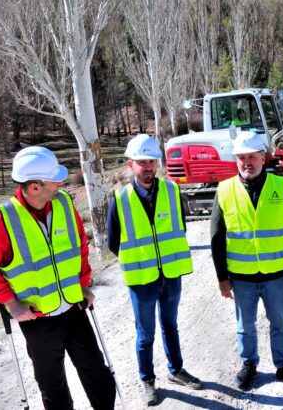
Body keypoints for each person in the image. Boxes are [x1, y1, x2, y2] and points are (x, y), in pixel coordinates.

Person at [0, 146, 116, 410]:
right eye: (54, 179)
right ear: (35, 186)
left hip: (74, 308)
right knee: (54, 390)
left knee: (99, 376)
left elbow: (79, 247)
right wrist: (11, 303)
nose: (60, 182)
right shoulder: (1, 220)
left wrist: (84, 284)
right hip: (39, 321)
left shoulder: (63, 204)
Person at [106, 134, 201, 406]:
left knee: (170, 326)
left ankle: (176, 370)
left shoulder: (172, 191)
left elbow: (179, 227)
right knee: (145, 335)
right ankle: (147, 380)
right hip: (142, 280)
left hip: (170, 275)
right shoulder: (120, 199)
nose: (148, 166)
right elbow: (114, 242)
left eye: (152, 161)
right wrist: (141, 261)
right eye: (141, 162)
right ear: (130, 164)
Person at [210, 131, 283, 391]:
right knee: (245, 326)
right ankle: (249, 365)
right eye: (241, 157)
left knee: (280, 323)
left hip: (275, 274)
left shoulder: (282, 187)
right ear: (236, 160)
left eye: (252, 156)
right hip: (241, 277)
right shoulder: (225, 189)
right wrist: (222, 278)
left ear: (263, 158)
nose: (247, 162)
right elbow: (217, 238)